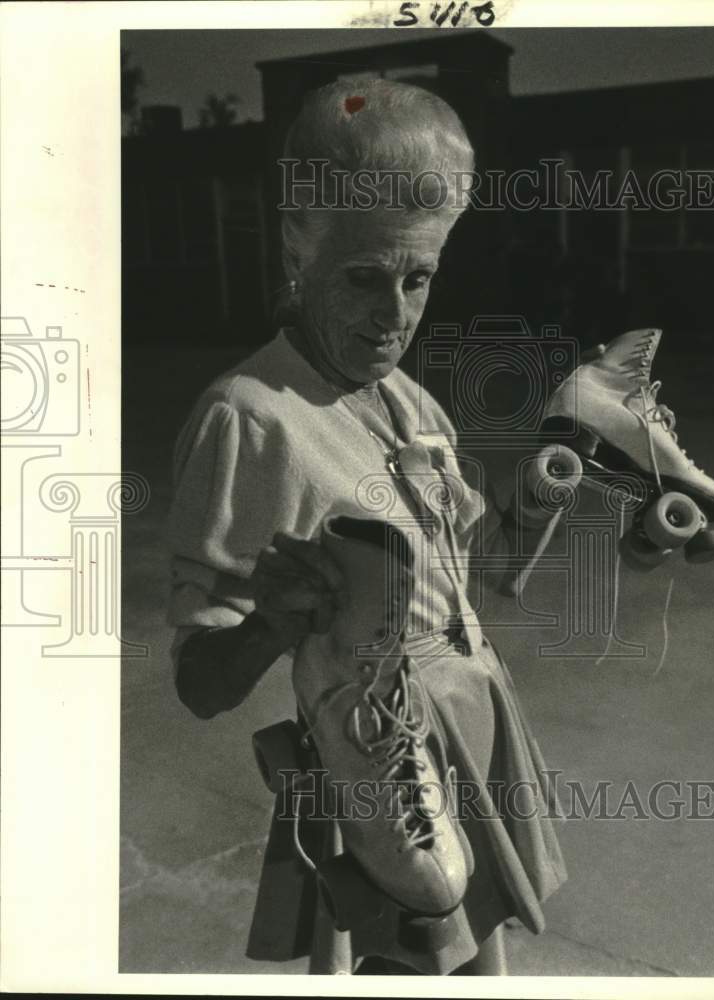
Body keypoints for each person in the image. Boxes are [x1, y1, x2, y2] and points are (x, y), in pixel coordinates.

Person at [166, 77, 567, 976]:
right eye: (364, 279)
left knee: (476, 967)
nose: (394, 316)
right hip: (382, 775)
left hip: (474, 738)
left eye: (418, 278)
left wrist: (539, 491)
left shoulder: (410, 401)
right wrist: (274, 622)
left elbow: (474, 575)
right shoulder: (252, 418)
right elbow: (200, 683)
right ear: (298, 253)